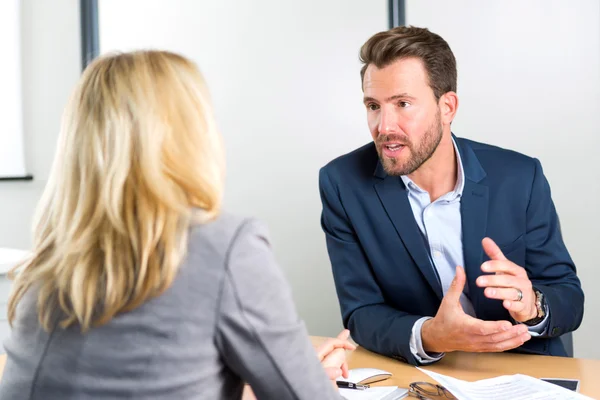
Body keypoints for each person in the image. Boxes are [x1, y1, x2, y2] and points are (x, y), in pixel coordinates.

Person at [0, 50, 352, 399]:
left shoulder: (50, 259)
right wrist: (303, 379)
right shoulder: (222, 245)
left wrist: (261, 380)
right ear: (189, 135)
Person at [319, 26, 584, 366]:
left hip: (525, 368)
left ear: (447, 107)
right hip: (427, 373)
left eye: (402, 104)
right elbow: (361, 310)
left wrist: (532, 304)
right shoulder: (343, 183)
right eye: (373, 106)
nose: (384, 126)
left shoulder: (520, 177)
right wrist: (430, 335)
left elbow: (569, 297)